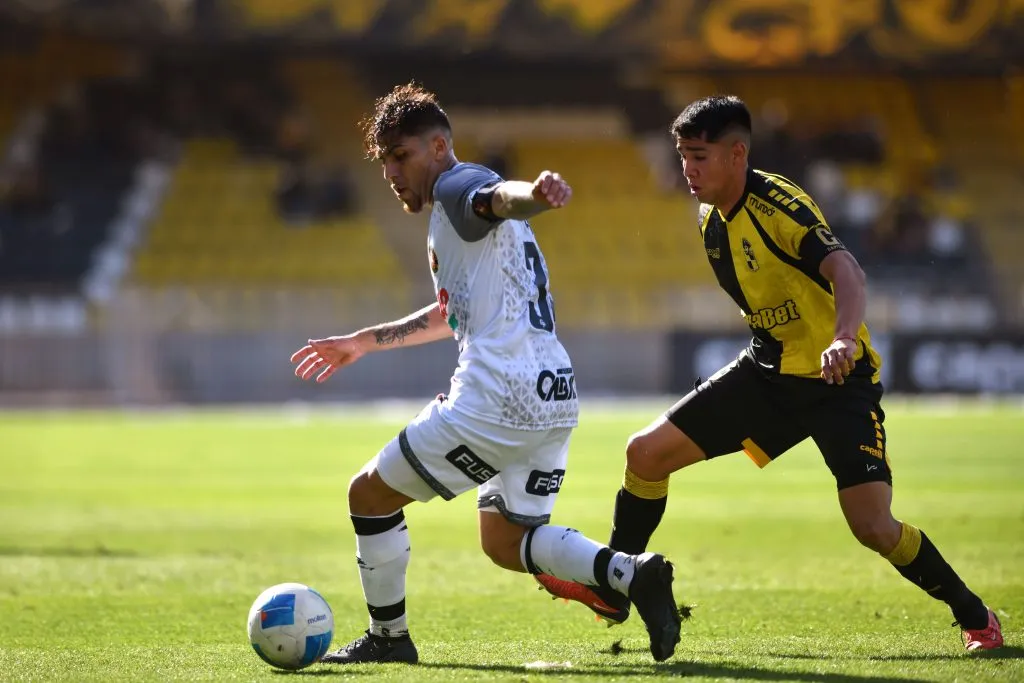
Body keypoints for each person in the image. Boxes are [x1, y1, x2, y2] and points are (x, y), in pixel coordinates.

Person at [535, 95, 1003, 652]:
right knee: (644, 454)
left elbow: (847, 273)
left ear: (738, 155)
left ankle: (977, 617)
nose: (688, 168)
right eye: (683, 156)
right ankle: (614, 588)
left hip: (836, 383)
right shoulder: (710, 220)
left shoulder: (779, 206)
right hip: (768, 374)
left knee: (874, 527)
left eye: (700, 156)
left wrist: (843, 340)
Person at [289, 83, 683, 665]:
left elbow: (495, 197)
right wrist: (363, 343)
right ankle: (631, 573)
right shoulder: (454, 221)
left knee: (368, 496)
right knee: (505, 541)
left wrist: (535, 193)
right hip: (553, 390)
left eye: (401, 156)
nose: (392, 173)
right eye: (384, 162)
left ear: (438, 145)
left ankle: (388, 640)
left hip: (496, 393)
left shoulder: (454, 185)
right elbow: (453, 311)